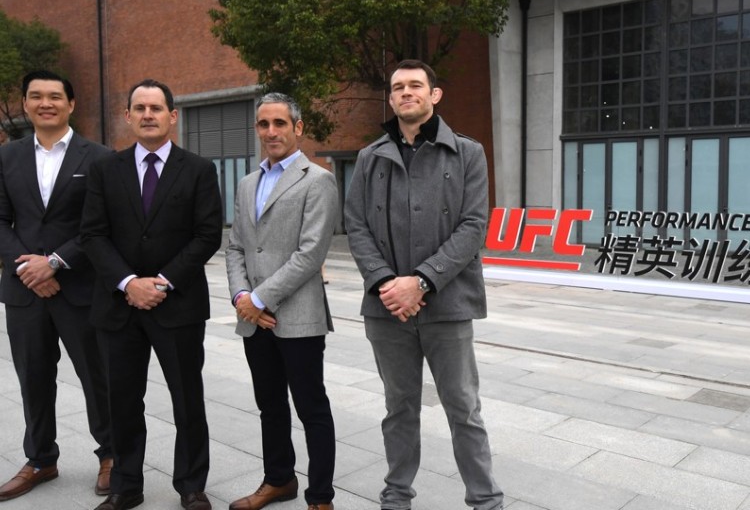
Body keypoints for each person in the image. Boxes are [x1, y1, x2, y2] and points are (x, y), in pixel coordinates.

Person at [345, 59, 503, 510]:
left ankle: (486, 500)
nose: (406, 92)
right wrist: (386, 285)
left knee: (464, 410)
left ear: (435, 95)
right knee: (399, 410)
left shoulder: (467, 152)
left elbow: (474, 226)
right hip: (387, 309)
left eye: (416, 85)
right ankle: (396, 498)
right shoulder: (370, 156)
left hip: (449, 305)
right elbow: (355, 226)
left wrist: (422, 281)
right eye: (398, 87)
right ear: (391, 98)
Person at [81, 79, 222, 510]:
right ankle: (126, 486)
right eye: (139, 108)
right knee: (121, 401)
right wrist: (129, 283)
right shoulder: (106, 169)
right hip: (118, 306)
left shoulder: (198, 169)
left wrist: (160, 281)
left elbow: (207, 235)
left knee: (187, 400)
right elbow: (92, 234)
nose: (147, 115)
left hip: (177, 306)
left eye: (156, 108)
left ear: (172, 116)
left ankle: (192, 486)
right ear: (127, 116)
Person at [0, 71, 114, 502]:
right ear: (26, 104)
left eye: (54, 96)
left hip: (81, 288)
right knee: (33, 377)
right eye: (35, 96)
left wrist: (55, 263)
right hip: (23, 289)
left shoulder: (100, 157)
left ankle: (111, 454)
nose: (45, 103)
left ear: (71, 104)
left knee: (96, 375)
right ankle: (40, 459)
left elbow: (100, 225)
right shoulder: (6, 157)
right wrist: (28, 268)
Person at [225, 93, 338, 510]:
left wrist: (259, 297)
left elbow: (310, 254)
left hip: (298, 317)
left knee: (311, 408)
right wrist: (241, 297)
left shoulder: (318, 180)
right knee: (269, 405)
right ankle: (279, 480)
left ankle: (320, 497)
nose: (270, 131)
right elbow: (236, 246)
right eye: (263, 124)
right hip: (254, 319)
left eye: (279, 123)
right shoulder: (246, 183)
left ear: (298, 128)